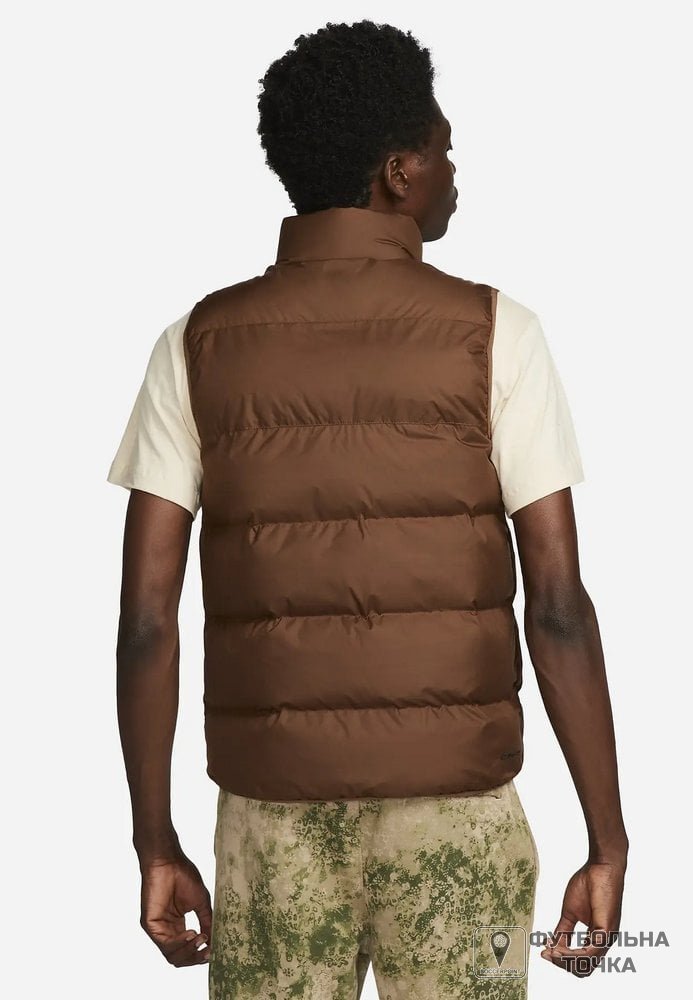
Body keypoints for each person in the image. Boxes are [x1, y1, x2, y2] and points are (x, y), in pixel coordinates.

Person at [107, 19, 628, 1000]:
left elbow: (145, 621)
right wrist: (607, 841)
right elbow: (557, 607)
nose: (452, 169)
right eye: (441, 148)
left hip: (270, 821)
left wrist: (154, 840)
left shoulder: (197, 342)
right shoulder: (496, 333)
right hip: (458, 819)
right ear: (398, 173)